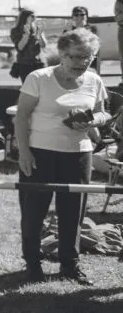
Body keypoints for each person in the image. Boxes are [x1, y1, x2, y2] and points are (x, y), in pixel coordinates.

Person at [15, 29, 107, 285]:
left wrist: (93, 121)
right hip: (40, 154)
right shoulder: (38, 78)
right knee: (34, 212)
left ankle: (70, 264)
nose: (83, 62)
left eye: (88, 57)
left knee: (73, 214)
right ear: (62, 54)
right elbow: (21, 116)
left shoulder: (94, 80)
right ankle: (32, 263)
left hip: (79, 154)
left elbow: (103, 113)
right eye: (76, 56)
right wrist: (24, 152)